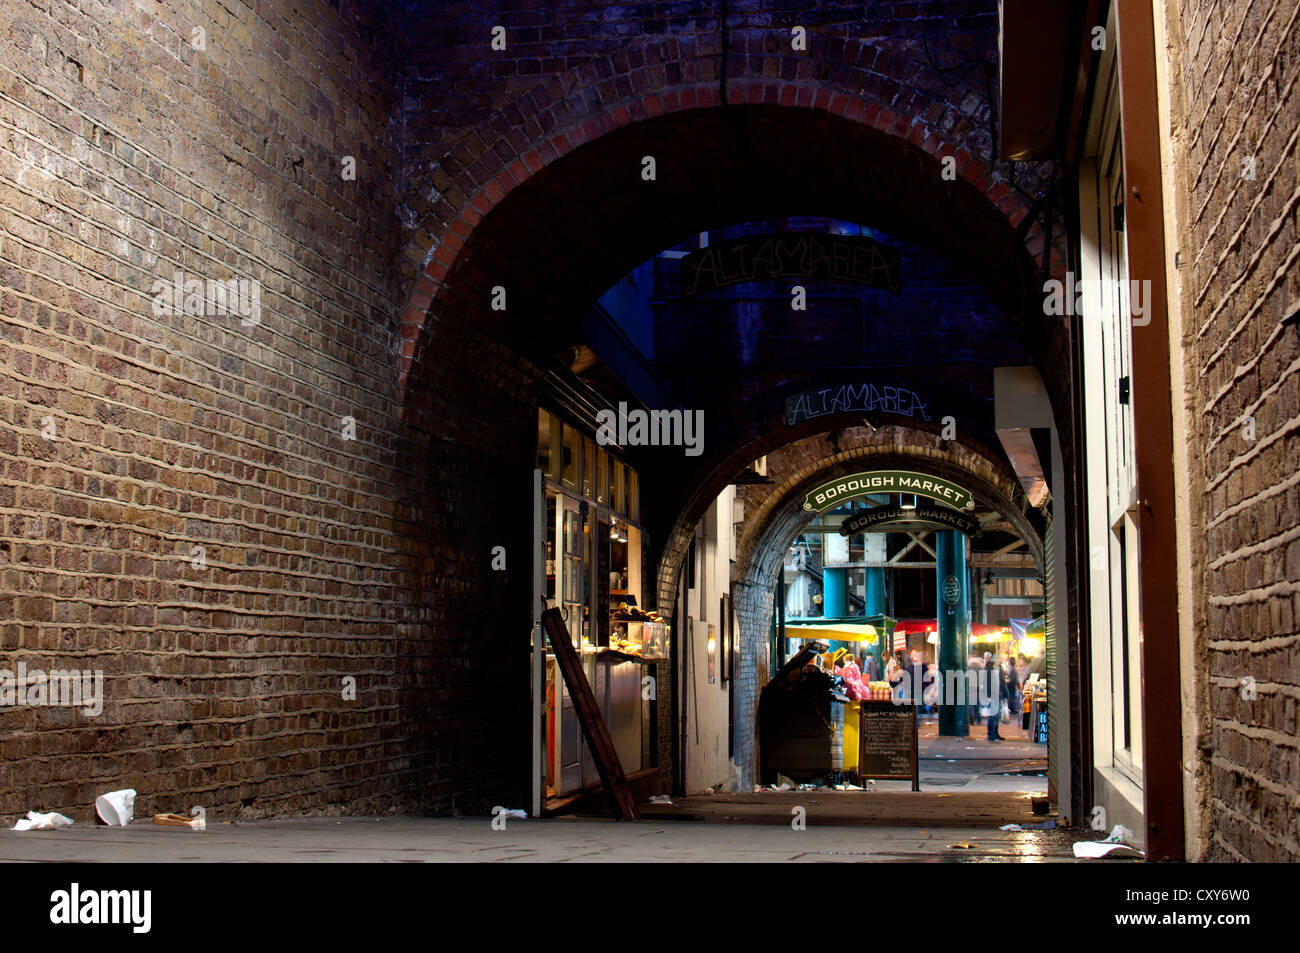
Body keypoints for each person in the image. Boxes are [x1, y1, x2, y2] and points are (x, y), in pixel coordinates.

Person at [981, 651, 1003, 741]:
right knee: (993, 715)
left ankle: (994, 733)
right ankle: (991, 734)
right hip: (993, 694)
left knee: (995, 715)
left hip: (995, 694)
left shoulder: (995, 667)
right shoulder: (990, 667)